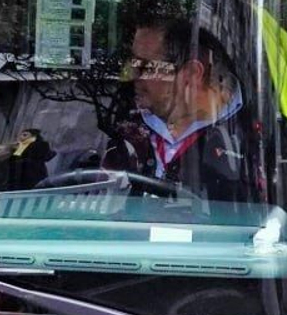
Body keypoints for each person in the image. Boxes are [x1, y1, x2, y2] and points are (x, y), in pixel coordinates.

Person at [103, 13, 261, 203]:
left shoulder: (256, 142)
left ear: (192, 74)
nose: (129, 76)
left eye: (144, 67)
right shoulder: (129, 127)